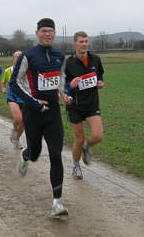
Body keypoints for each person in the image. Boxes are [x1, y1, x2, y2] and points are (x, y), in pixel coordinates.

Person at [10, 18, 68, 218]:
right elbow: (14, 84)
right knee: (35, 154)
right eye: (43, 31)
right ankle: (26, 155)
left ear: (54, 34)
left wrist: (65, 94)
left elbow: (61, 80)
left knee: (55, 155)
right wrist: (34, 103)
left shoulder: (60, 56)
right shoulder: (28, 56)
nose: (47, 34)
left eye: (50, 31)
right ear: (37, 33)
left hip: (53, 114)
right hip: (32, 113)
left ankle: (57, 203)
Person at [62, 31, 104, 180]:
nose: (84, 44)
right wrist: (69, 88)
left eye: (86, 41)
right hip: (75, 106)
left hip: (92, 104)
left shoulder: (95, 60)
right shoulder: (68, 63)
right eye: (81, 41)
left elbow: (99, 76)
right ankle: (76, 165)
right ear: (75, 44)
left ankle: (87, 147)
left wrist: (100, 82)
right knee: (78, 139)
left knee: (98, 136)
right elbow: (62, 85)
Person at [0, 50, 24, 149]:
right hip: (12, 98)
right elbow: (3, 82)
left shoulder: (28, 71)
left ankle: (16, 139)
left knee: (23, 124)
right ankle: (14, 128)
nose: (18, 59)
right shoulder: (8, 71)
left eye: (21, 57)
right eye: (16, 57)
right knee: (18, 119)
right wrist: (3, 88)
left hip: (25, 99)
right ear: (13, 59)